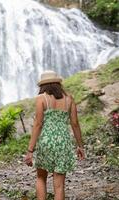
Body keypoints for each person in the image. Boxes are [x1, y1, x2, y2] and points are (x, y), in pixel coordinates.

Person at [24, 70, 85, 200]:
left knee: (41, 177)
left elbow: (38, 124)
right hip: (63, 142)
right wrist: (80, 146)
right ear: (58, 83)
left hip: (46, 141)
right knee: (59, 185)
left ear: (42, 85)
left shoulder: (42, 98)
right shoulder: (69, 98)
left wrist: (30, 150)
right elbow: (75, 124)